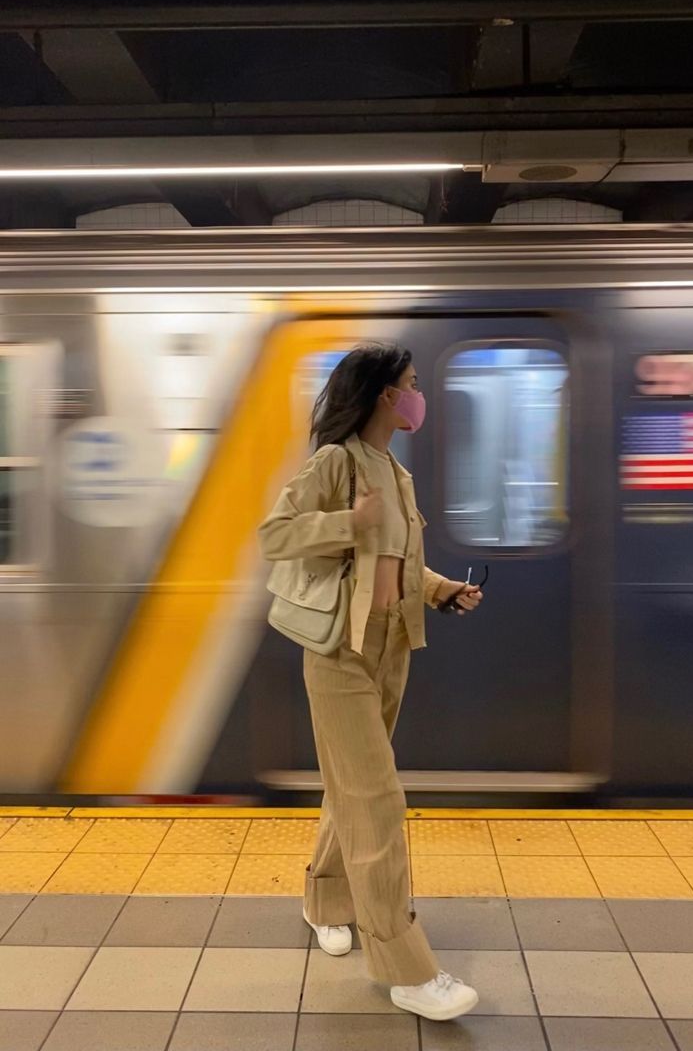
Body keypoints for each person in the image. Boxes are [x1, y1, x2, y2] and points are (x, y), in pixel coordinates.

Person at [258, 344, 483, 1021]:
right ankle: (406, 967)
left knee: (351, 788)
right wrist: (345, 523)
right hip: (340, 656)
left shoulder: (396, 472)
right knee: (379, 800)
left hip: (392, 647)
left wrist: (443, 591)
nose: (419, 396)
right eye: (412, 386)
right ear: (385, 396)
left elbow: (395, 562)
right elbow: (275, 535)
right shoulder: (337, 463)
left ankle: (324, 899)